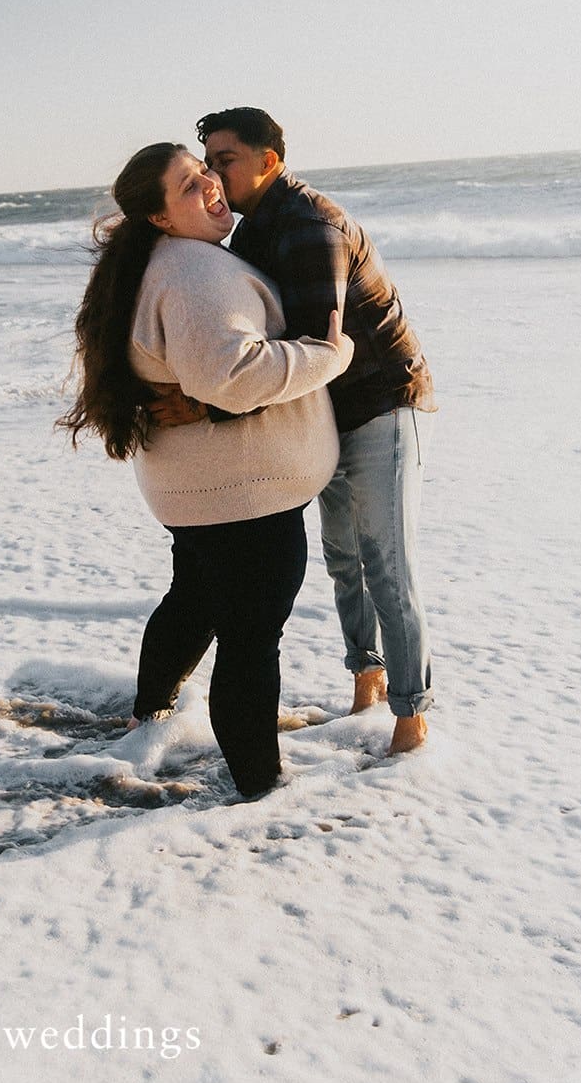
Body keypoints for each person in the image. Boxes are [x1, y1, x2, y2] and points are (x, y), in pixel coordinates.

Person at [59, 142, 354, 798]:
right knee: (251, 641)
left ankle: (150, 715)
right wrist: (330, 354)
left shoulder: (158, 261)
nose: (212, 185)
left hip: (197, 491)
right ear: (161, 217)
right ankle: (259, 785)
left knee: (193, 600)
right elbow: (232, 377)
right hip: (242, 497)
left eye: (207, 171)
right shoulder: (194, 273)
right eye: (190, 186)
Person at [157, 108, 436, 755]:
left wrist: (207, 406)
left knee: (387, 564)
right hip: (324, 411)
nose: (214, 176)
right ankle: (367, 684)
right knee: (343, 558)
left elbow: (310, 350)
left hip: (379, 404)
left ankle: (411, 718)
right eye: (207, 164)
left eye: (225, 160)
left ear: (268, 161)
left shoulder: (311, 227)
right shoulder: (253, 230)